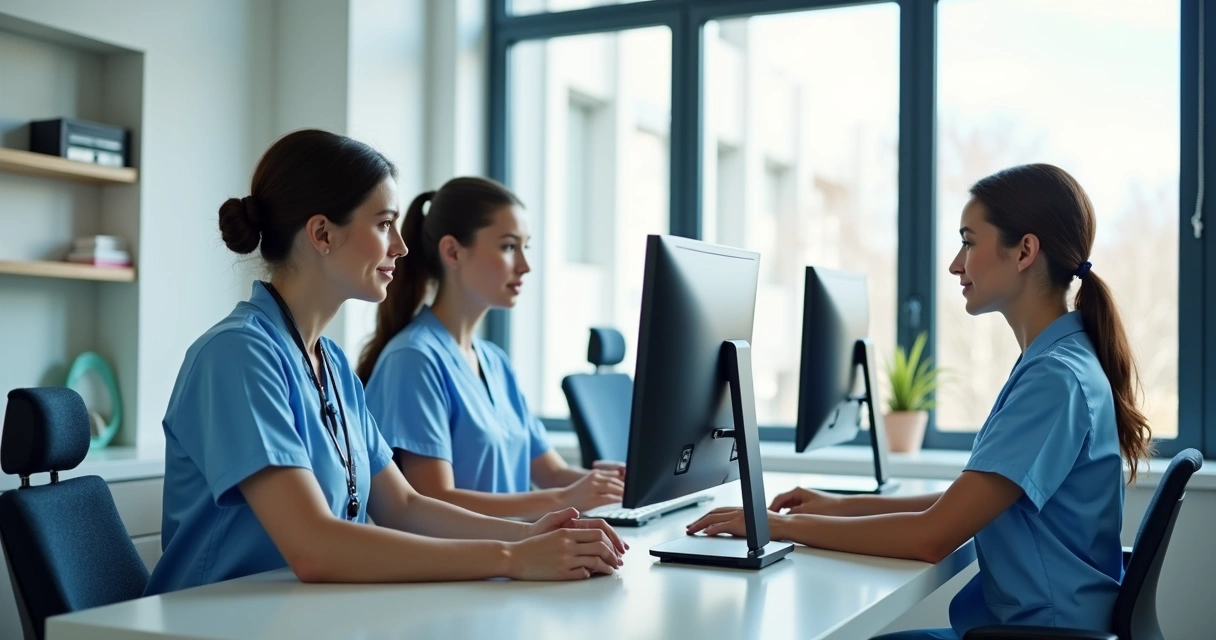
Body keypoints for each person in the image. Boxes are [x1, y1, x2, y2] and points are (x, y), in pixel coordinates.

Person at [145, 130, 625, 596]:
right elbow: (314, 547)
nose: (400, 246)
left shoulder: (330, 363)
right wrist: (509, 558)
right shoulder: (238, 355)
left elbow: (404, 504)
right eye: (382, 224)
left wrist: (530, 537)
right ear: (321, 234)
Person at [687, 163, 1152, 639]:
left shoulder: (1054, 378)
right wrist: (832, 507)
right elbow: (969, 505)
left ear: (1025, 251)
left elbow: (933, 537)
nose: (956, 263)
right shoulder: (1060, 359)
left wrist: (776, 528)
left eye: (969, 241)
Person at [356, 178, 625, 522]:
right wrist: (562, 498)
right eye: (510, 247)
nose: (525, 265)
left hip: (515, 561)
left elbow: (553, 474)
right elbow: (433, 498)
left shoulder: (495, 362)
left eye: (526, 247)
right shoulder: (413, 360)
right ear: (453, 252)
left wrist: (617, 484)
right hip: (463, 569)